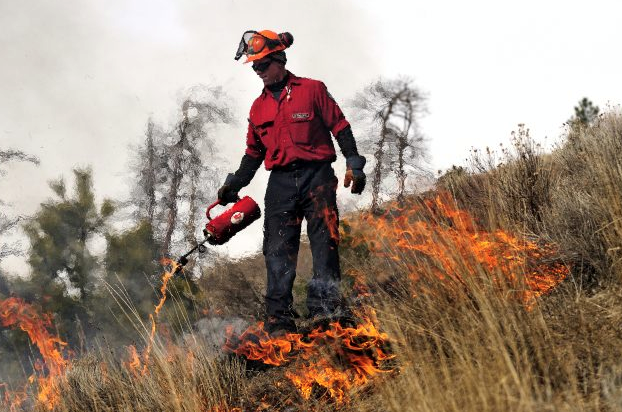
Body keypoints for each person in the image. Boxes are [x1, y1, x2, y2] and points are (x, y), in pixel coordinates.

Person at [218, 30, 366, 335]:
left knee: (324, 243)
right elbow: (253, 152)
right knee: (277, 250)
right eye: (255, 68)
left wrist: (354, 163)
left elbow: (340, 126)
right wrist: (235, 183)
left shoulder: (312, 90)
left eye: (262, 66)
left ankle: (325, 313)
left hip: (318, 177)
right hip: (281, 183)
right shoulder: (258, 107)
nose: (258, 72)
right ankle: (279, 323)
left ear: (279, 60)